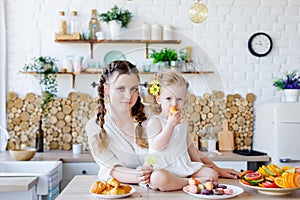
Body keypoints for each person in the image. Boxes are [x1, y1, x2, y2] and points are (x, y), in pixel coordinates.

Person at [146, 70, 239, 191]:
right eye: (168, 98)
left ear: (184, 99)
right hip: (163, 168)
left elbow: (190, 147)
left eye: (179, 99)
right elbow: (157, 146)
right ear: (158, 99)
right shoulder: (155, 121)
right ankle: (188, 182)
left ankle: (185, 181)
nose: (174, 103)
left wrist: (205, 166)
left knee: (212, 175)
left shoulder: (182, 122)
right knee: (158, 179)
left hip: (182, 167)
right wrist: (170, 125)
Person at [86, 60, 153, 185]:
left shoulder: (151, 115)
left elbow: (161, 151)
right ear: (106, 89)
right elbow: (109, 166)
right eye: (121, 89)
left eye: (134, 89)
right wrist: (138, 177)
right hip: (120, 191)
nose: (128, 96)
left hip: (158, 188)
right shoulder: (95, 125)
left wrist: (149, 166)